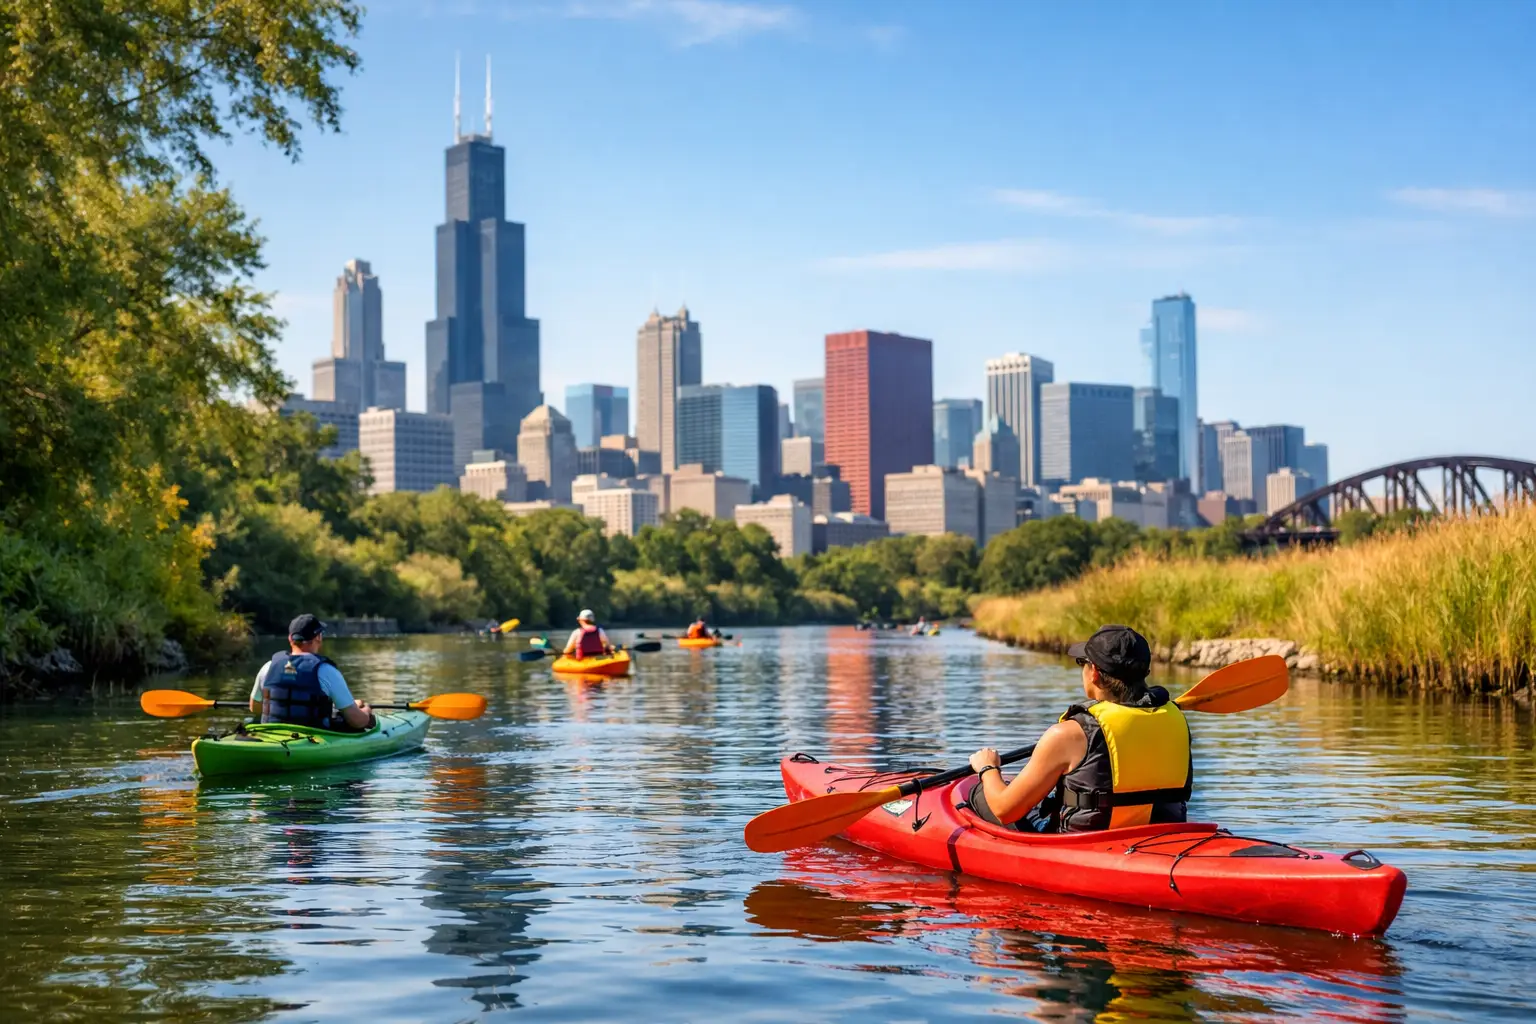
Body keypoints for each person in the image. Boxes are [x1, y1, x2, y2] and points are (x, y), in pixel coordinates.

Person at [967, 624, 1191, 833]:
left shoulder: (1069, 734)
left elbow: (1004, 810)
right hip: (1162, 835)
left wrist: (987, 768)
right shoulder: (1176, 720)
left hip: (1083, 842)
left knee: (977, 793)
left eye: (1081, 662)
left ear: (1093, 672)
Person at [248, 614, 374, 731]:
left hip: (273, 734)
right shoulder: (326, 671)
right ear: (318, 637)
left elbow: (254, 707)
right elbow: (357, 721)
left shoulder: (268, 667)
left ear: (290, 638)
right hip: (313, 738)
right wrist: (366, 711)